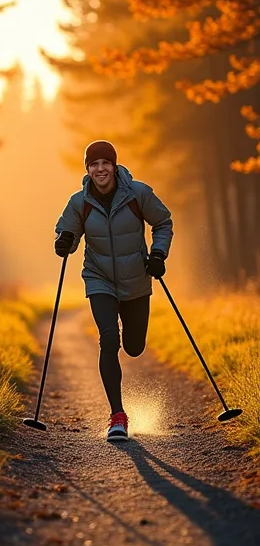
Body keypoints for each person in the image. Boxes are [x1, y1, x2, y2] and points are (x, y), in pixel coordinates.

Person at [53, 140, 172, 442]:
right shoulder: (79, 202)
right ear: (88, 170)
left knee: (134, 347)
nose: (100, 169)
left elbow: (163, 222)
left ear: (114, 166)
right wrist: (64, 242)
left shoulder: (138, 194)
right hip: (99, 279)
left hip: (136, 281)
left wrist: (158, 254)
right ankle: (117, 416)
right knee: (109, 339)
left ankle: (119, 409)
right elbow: (67, 233)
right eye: (94, 164)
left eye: (105, 163)